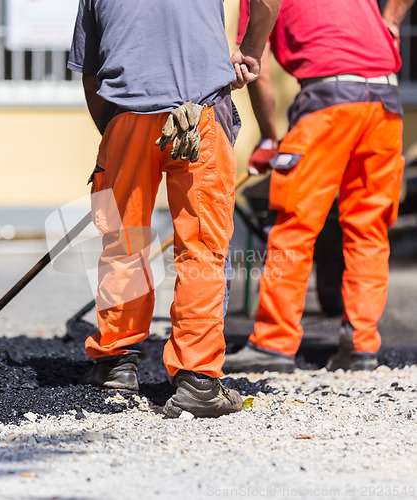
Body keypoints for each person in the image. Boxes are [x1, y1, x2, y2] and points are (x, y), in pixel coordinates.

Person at [67, 0, 281, 417]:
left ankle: (115, 362)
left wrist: (114, 137)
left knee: (124, 242)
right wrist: (251, 50)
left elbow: (91, 76)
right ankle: (197, 380)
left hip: (126, 114)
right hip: (200, 113)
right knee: (202, 248)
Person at [224, 0, 415, 373]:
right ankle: (361, 345)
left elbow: (253, 65)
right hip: (386, 101)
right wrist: (391, 20)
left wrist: (267, 138)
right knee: (369, 228)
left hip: (329, 102)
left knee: (294, 224)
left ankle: (273, 343)